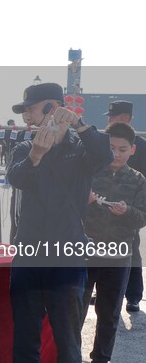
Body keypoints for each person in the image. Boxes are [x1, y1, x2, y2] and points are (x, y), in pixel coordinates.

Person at [6, 82, 113, 362]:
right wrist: (36, 155)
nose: (26, 117)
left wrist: (78, 123)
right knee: (25, 339)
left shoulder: (80, 149)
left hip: (66, 255)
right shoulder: (25, 148)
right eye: (24, 111)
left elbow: (105, 155)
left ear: (52, 107)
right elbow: (16, 178)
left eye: (31, 110)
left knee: (67, 342)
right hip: (29, 253)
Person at [82, 122, 146, 363]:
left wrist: (127, 211)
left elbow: (142, 217)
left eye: (122, 149)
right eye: (111, 148)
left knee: (109, 314)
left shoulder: (139, 180)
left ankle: (101, 358)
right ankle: (68, 354)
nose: (116, 154)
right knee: (75, 310)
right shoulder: (88, 172)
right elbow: (68, 209)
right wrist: (84, 200)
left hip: (118, 255)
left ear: (133, 150)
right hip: (85, 250)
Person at [103, 100, 145, 313]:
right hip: (105, 207)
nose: (109, 120)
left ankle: (134, 295)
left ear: (126, 118)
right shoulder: (105, 141)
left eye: (113, 116)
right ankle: (104, 290)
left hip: (131, 205)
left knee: (132, 252)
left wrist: (132, 203)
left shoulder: (141, 146)